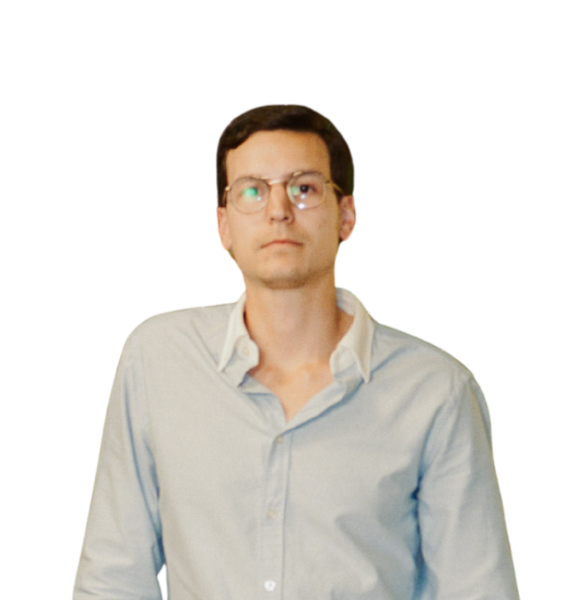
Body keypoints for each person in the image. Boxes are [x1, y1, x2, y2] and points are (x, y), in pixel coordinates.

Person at [72, 103, 520, 599]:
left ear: (345, 216)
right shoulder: (158, 359)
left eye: (303, 188)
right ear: (223, 226)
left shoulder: (435, 391)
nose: (278, 210)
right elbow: (113, 577)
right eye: (252, 191)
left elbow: (476, 590)